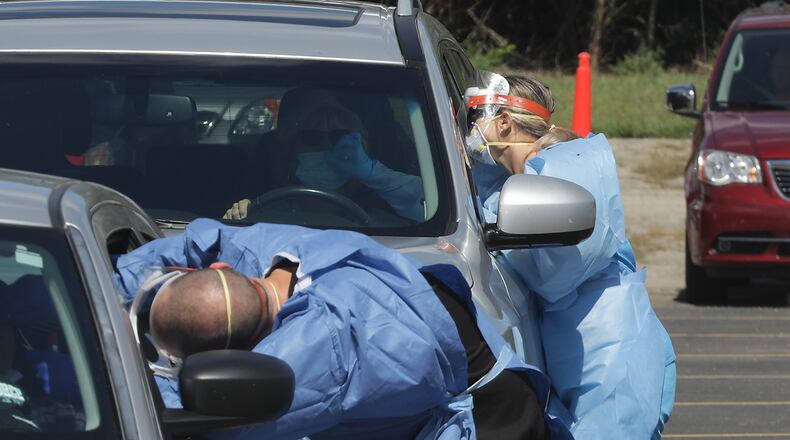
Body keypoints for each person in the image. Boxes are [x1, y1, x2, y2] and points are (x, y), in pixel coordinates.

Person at [115, 218, 574, 440]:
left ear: (235, 356)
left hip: (491, 423)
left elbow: (211, 426)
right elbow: (205, 239)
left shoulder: (321, 350)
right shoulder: (283, 255)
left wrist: (154, 374)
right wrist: (120, 288)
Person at [463, 72, 676, 439]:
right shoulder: (527, 175)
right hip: (594, 354)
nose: (470, 130)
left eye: (476, 117)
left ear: (504, 123)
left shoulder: (559, 176)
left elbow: (554, 270)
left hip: (610, 365)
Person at [223, 89, 425, 223]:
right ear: (290, 152)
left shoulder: (386, 227)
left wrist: (371, 172)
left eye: (339, 138)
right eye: (312, 138)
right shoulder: (263, 218)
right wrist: (237, 220)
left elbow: (424, 203)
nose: (327, 147)